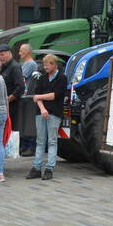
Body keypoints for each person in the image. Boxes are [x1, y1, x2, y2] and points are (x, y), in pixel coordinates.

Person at [27, 53, 68, 181]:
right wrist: (42, 108)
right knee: (40, 141)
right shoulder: (42, 78)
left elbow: (55, 95)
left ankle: (49, 168)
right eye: (44, 65)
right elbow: (36, 96)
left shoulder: (62, 78)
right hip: (41, 112)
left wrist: (39, 97)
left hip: (54, 113)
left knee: (52, 141)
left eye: (47, 65)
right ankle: (37, 168)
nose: (45, 67)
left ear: (54, 65)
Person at [0, 43, 25, 150]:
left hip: (12, 105)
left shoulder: (14, 67)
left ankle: (9, 150)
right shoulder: (3, 66)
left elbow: (20, 88)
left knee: (10, 130)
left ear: (9, 53)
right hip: (3, 105)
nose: (0, 57)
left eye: (2, 54)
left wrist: (8, 99)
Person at [18, 43, 38, 157]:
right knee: (25, 122)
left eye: (21, 51)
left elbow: (21, 78)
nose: (19, 53)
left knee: (28, 122)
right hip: (25, 97)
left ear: (28, 52)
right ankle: (25, 145)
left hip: (28, 97)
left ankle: (30, 146)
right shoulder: (26, 64)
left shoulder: (30, 64)